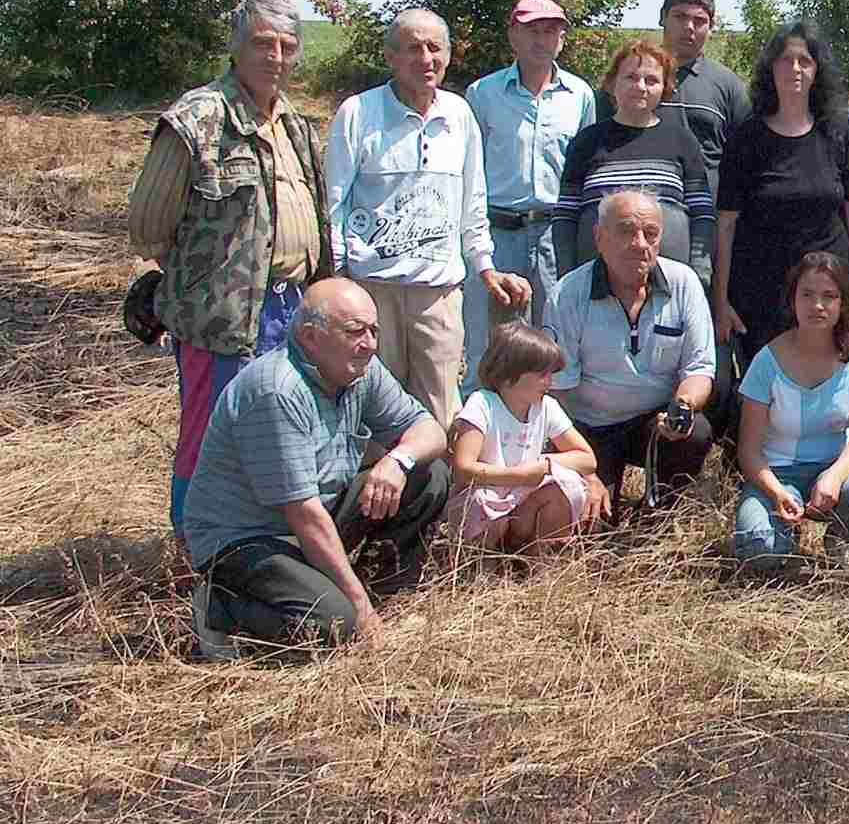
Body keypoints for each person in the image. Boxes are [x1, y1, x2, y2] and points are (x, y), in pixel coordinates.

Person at [129, 0, 332, 541]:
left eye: (287, 46)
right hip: (224, 319)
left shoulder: (295, 123)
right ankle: (196, 549)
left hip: (293, 309)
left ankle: (257, 546)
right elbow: (149, 224)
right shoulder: (199, 117)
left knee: (278, 436)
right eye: (263, 43)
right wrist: (201, 285)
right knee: (211, 440)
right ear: (235, 47)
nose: (275, 56)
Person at [182, 278, 448, 656]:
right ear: (310, 336)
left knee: (427, 474)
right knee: (335, 626)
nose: (370, 343)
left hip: (317, 514)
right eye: (355, 331)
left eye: (374, 331)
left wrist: (397, 460)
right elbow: (302, 513)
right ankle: (219, 606)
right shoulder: (277, 390)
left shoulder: (360, 369)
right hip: (249, 538)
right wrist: (360, 612)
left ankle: (385, 600)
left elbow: (430, 432)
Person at [326, 8, 529, 428]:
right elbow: (334, 202)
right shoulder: (357, 113)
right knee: (370, 410)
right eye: (413, 48)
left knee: (440, 412)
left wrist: (484, 265)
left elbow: (473, 200)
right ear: (390, 57)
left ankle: (437, 475)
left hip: (438, 292)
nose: (425, 59)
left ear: (448, 55)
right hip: (371, 289)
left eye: (435, 48)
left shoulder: (459, 115)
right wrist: (340, 275)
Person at [542, 188, 717, 518]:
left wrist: (682, 407)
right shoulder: (566, 294)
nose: (640, 244)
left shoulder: (684, 282)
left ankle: (659, 515)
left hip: (653, 421)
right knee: (593, 526)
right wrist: (584, 471)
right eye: (626, 231)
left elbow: (699, 368)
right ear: (599, 237)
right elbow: (558, 394)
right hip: (588, 427)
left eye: (650, 233)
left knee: (696, 432)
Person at [713, 21, 849, 368]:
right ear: (771, 68)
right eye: (785, 60)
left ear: (818, 71)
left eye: (805, 61)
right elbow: (725, 226)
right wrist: (721, 300)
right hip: (761, 297)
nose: (795, 69)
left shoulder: (837, 131)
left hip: (827, 296)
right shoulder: (746, 138)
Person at [460, 0, 597, 394]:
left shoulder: (580, 96)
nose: (541, 39)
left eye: (551, 31)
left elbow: (584, 171)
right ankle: (479, 425)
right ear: (513, 36)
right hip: (497, 232)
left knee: (551, 340)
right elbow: (468, 170)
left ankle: (541, 423)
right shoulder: (483, 94)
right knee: (489, 343)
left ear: (562, 39)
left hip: (555, 235)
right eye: (531, 30)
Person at [732, 253, 849, 570]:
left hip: (835, 469)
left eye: (829, 296)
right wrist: (777, 493)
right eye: (806, 294)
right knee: (758, 548)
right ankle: (783, 536)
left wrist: (834, 477)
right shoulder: (766, 361)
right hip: (776, 476)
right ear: (792, 300)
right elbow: (748, 451)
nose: (817, 305)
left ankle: (840, 537)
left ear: (843, 302)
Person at [556, 37, 714, 281]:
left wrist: (699, 274)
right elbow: (566, 216)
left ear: (665, 87)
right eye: (631, 77)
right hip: (595, 283)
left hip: (669, 284)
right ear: (612, 83)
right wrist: (567, 276)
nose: (641, 87)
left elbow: (701, 213)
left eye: (651, 80)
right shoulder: (587, 142)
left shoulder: (682, 141)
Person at [445, 321, 609, 555]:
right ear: (509, 374)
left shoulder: (546, 407)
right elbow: (463, 469)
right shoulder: (482, 404)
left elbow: (587, 459)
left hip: (523, 500)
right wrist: (519, 475)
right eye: (542, 374)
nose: (549, 382)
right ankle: (483, 564)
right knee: (480, 502)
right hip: (487, 498)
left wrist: (545, 465)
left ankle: (537, 559)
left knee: (567, 486)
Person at [600, 0, 751, 187]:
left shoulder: (729, 86)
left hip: (704, 204)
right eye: (680, 17)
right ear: (663, 17)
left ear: (711, 27)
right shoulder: (629, 77)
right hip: (633, 200)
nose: (689, 27)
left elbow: (745, 159)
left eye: (699, 21)